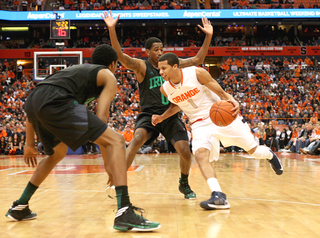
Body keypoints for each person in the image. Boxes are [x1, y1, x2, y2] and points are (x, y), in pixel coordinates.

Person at [5, 44, 160, 232]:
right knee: (118, 140)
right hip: (56, 101)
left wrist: (29, 144)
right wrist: (109, 165)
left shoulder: (75, 72)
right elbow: (102, 121)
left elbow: (34, 101)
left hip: (36, 101)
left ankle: (20, 205)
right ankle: (124, 211)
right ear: (113, 64)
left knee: (57, 153)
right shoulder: (108, 76)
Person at [102, 11, 213, 199]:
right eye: (155, 49)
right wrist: (112, 30)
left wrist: (208, 36)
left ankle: (184, 184)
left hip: (170, 114)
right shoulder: (142, 66)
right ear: (147, 52)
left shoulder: (171, 64)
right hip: (149, 115)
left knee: (185, 151)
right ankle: (120, 186)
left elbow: (197, 60)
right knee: (136, 139)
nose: (160, 52)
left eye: (161, 48)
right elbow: (120, 56)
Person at [151, 53, 283, 210]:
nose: (160, 72)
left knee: (253, 151)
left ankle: (269, 154)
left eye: (163, 68)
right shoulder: (165, 89)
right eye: (159, 69)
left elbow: (220, 92)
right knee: (200, 154)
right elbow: (177, 105)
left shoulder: (196, 73)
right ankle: (218, 195)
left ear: (175, 66)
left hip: (218, 113)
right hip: (199, 123)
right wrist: (161, 117)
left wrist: (232, 100)